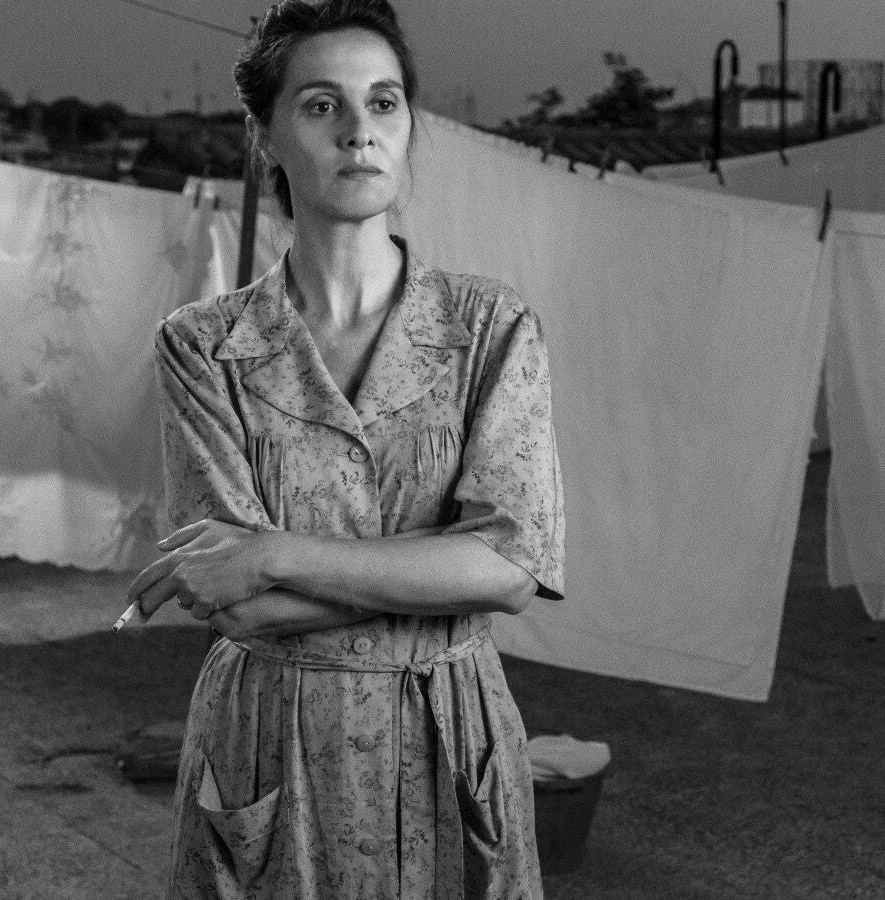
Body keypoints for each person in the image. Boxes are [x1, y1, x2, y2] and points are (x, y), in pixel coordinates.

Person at [126, 1, 564, 897]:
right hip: (271, 739)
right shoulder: (204, 346)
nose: (360, 131)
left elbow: (511, 569)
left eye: (385, 102)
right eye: (322, 104)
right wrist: (440, 574)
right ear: (265, 136)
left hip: (452, 732)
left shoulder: (491, 327)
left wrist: (272, 553)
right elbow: (237, 607)